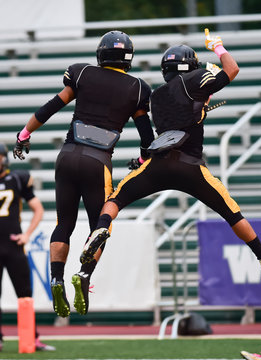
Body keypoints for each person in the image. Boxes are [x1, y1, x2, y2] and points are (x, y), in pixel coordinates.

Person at [80, 28, 261, 302]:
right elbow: (232, 69)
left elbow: (166, 134)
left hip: (158, 164)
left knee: (114, 200)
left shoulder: (158, 96)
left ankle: (88, 264)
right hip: (190, 166)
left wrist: (141, 160)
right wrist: (217, 47)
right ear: (189, 67)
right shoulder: (195, 79)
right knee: (232, 213)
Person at [13, 30, 155, 318]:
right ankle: (84, 274)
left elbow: (51, 106)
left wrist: (24, 134)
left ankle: (56, 278)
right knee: (100, 227)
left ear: (101, 53)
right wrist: (140, 159)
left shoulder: (82, 73)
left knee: (64, 222)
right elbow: (147, 138)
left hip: (66, 156)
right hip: (97, 161)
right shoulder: (138, 88)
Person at [0, 143, 55, 351]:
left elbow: (38, 209)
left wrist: (27, 235)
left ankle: (31, 338)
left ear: (4, 158)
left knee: (24, 294)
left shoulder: (16, 179)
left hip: (14, 246)